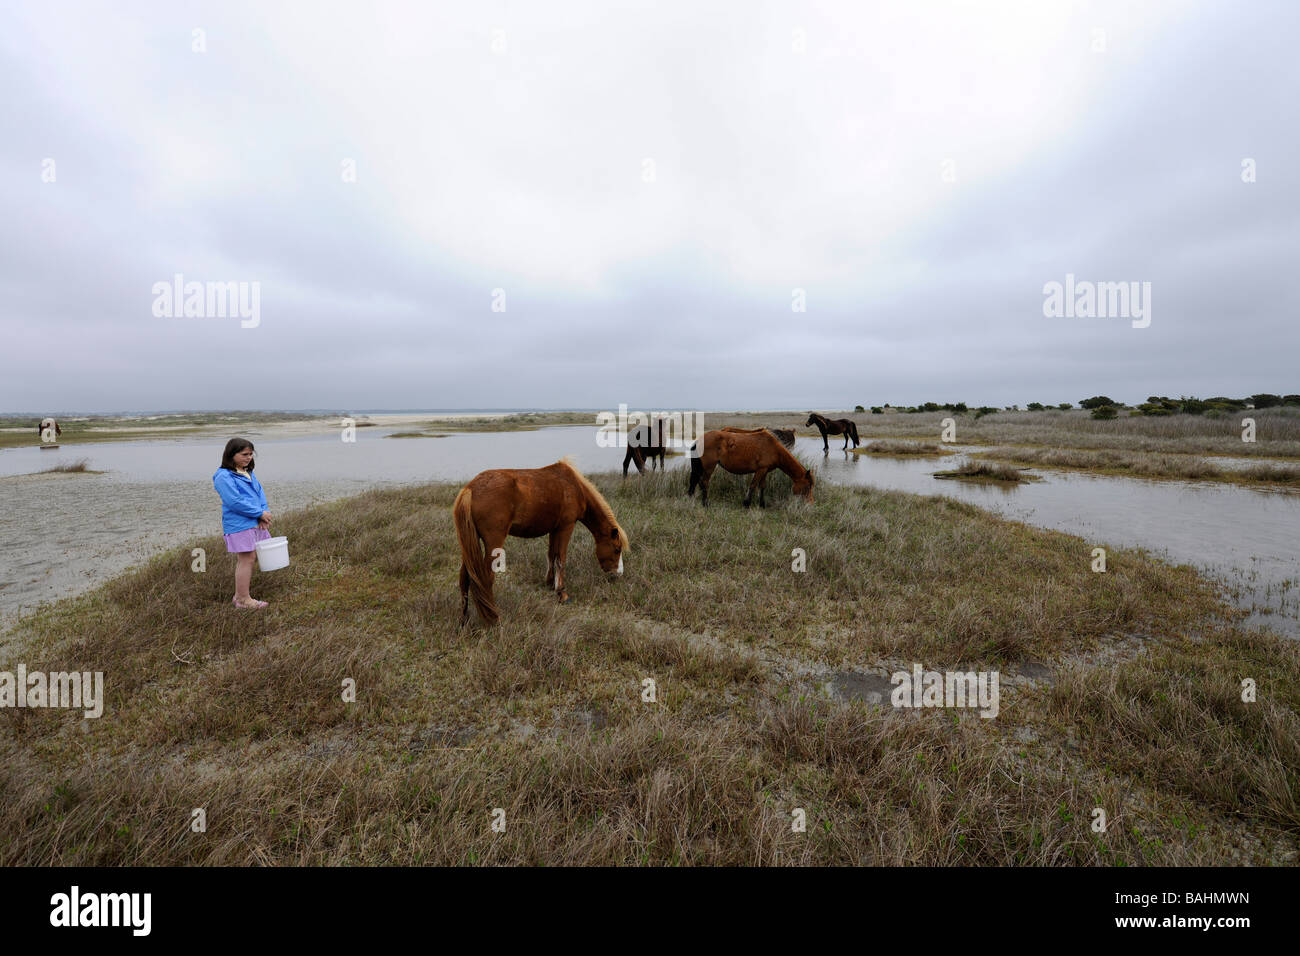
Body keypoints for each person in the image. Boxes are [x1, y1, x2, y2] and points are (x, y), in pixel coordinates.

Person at [213, 438, 273, 609]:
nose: (249, 458)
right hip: (239, 523)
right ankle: (242, 599)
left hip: (254, 520)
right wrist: (259, 513)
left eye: (251, 454)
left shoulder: (248, 472)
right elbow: (234, 501)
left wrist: (264, 514)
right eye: (244, 454)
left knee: (251, 557)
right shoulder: (223, 476)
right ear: (231, 455)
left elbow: (259, 494)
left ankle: (241, 596)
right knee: (246, 558)